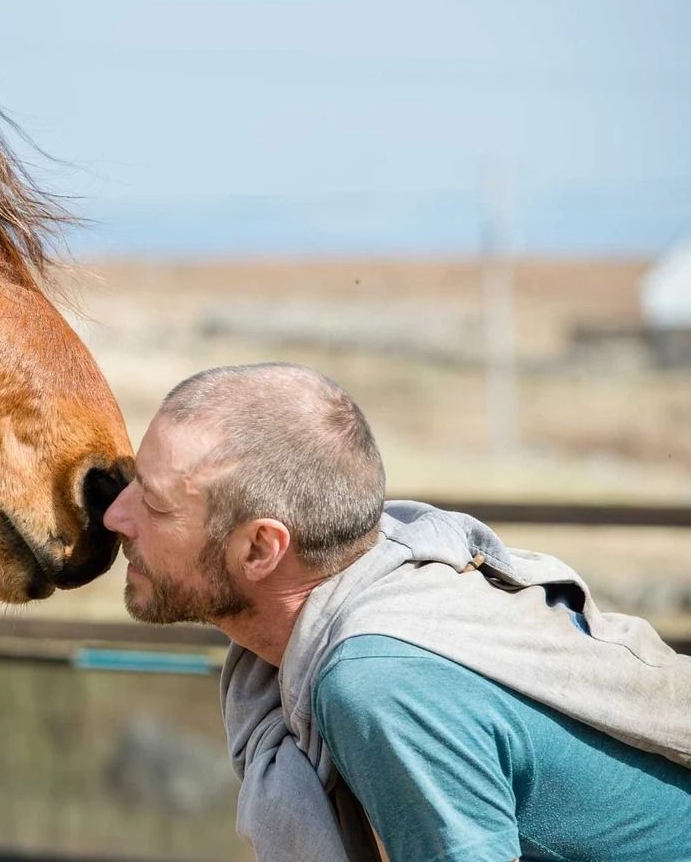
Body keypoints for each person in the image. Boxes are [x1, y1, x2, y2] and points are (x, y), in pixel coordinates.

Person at [102, 362, 691, 862]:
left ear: (260, 549)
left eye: (154, 503)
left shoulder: (379, 682)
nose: (115, 518)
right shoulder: (371, 609)